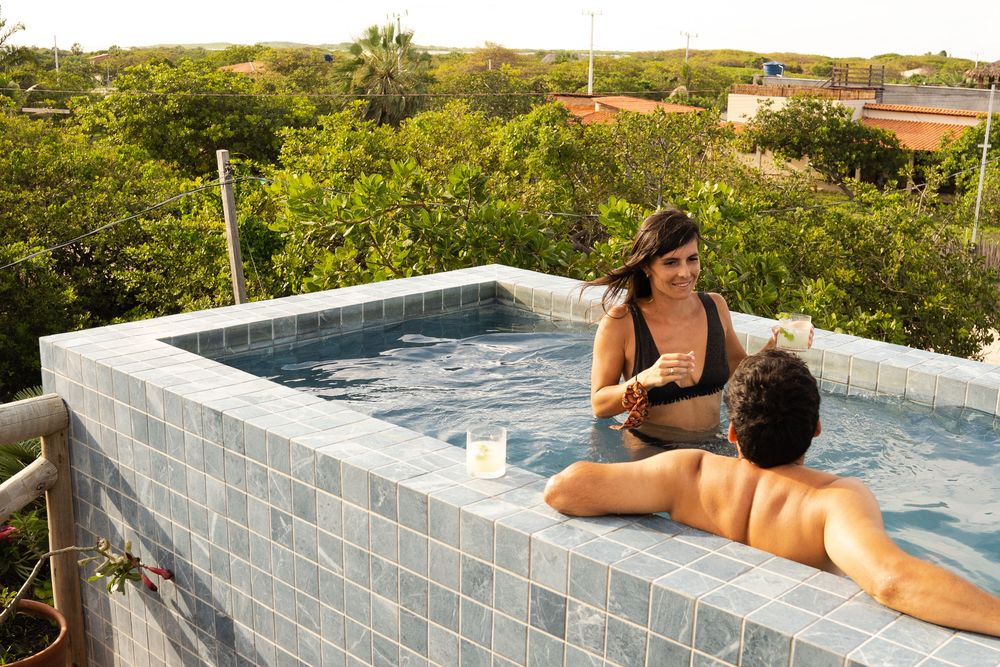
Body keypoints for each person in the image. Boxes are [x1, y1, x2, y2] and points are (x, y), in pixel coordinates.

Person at [544, 349, 1000, 636]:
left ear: (734, 434)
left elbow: (565, 489)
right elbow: (891, 580)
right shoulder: (833, 500)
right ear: (817, 429)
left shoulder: (690, 472)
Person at [587, 207, 807, 447]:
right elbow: (599, 405)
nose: (685, 273)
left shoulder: (715, 306)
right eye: (671, 262)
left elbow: (740, 374)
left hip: (715, 446)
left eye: (692, 259)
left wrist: (774, 346)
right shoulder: (621, 322)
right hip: (651, 454)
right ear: (646, 267)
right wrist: (646, 379)